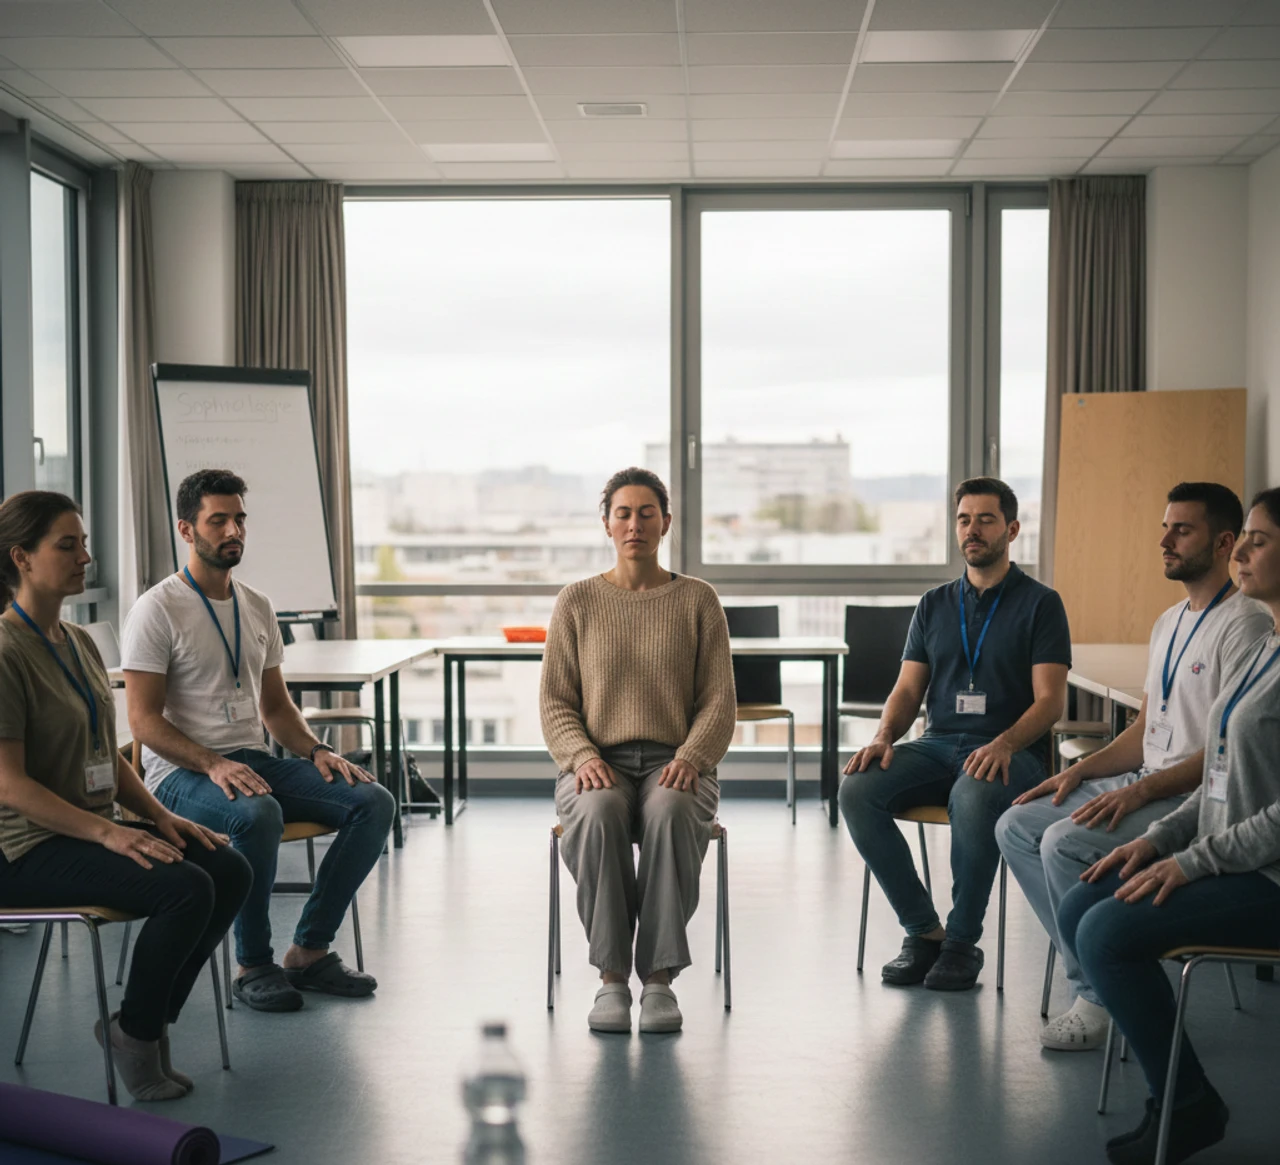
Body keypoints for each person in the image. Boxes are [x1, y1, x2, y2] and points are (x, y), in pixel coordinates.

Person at [997, 482, 1269, 1050]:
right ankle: (1102, 977)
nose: (1164, 540)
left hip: (1184, 791)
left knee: (1062, 843)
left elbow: (1222, 758)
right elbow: (1145, 732)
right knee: (1017, 824)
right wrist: (1082, 770)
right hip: (1146, 780)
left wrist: (1142, 795)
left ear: (1223, 542)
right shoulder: (1169, 619)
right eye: (1165, 527)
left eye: (1182, 529)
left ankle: (1096, 997)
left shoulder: (1245, 625)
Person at [0, 491, 252, 1101]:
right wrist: (111, 832)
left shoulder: (80, 642)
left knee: (227, 867)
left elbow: (105, 757)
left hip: (90, 828)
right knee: (185, 889)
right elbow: (9, 783)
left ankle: (137, 1027)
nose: (85, 556)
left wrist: (159, 817)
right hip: (26, 850)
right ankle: (139, 1036)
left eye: (84, 543)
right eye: (68, 545)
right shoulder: (6, 651)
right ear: (22, 558)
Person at [1058, 487, 1280, 1165]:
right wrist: (1156, 839)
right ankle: (1182, 1097)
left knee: (1107, 929)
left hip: (1266, 874)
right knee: (1079, 904)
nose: (1239, 549)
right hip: (1231, 857)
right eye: (1242, 535)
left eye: (1260, 539)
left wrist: (1190, 862)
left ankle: (1184, 1104)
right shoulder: (1265, 645)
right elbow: (1218, 777)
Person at [123, 469, 394, 1013]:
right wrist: (212, 764)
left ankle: (309, 951)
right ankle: (253, 964)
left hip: (251, 764)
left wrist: (317, 751)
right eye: (218, 520)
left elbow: (275, 708)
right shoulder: (157, 608)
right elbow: (143, 723)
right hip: (180, 776)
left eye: (239, 518)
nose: (233, 530)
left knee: (373, 800)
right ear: (186, 529)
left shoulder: (257, 605)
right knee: (257, 815)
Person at [839, 477, 1071, 991]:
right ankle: (924, 933)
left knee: (974, 794)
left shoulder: (1041, 604)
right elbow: (906, 690)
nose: (973, 530)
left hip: (1014, 754)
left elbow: (1051, 701)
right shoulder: (934, 604)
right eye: (964, 519)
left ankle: (963, 943)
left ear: (1011, 529)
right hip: (939, 743)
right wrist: (883, 737)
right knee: (856, 789)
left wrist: (1005, 742)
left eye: (986, 519)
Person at [541, 467, 736, 1034]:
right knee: (599, 814)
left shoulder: (698, 600)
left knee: (672, 811)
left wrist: (692, 758)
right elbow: (555, 702)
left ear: (666, 523)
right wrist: (582, 757)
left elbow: (719, 700)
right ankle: (610, 979)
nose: (635, 524)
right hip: (597, 761)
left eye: (646, 513)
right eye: (623, 513)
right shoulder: (576, 601)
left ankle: (657, 981)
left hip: (676, 762)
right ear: (606, 523)